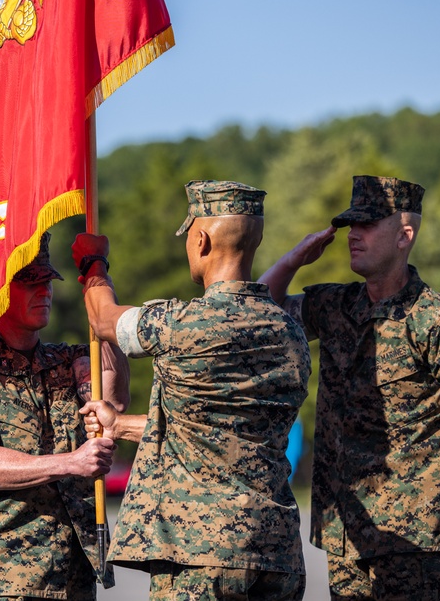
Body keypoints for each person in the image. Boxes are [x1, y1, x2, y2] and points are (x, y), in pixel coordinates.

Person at [258, 175, 440, 600]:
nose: (354, 234)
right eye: (351, 225)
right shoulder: (336, 306)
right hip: (347, 534)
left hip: (417, 545)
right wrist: (295, 257)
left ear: (405, 235)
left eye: (368, 224)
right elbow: (260, 309)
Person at [73, 180, 310, 601]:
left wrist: (94, 265)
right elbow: (210, 428)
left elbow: (103, 319)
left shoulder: (181, 324)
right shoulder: (290, 331)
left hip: (200, 557)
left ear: (200, 241)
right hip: (277, 554)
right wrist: (119, 425)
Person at [0, 231, 130, 601]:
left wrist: (96, 276)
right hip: (4, 580)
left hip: (74, 577)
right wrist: (71, 463)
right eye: (30, 282)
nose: (45, 291)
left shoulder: (68, 361)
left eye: (47, 281)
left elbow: (113, 404)